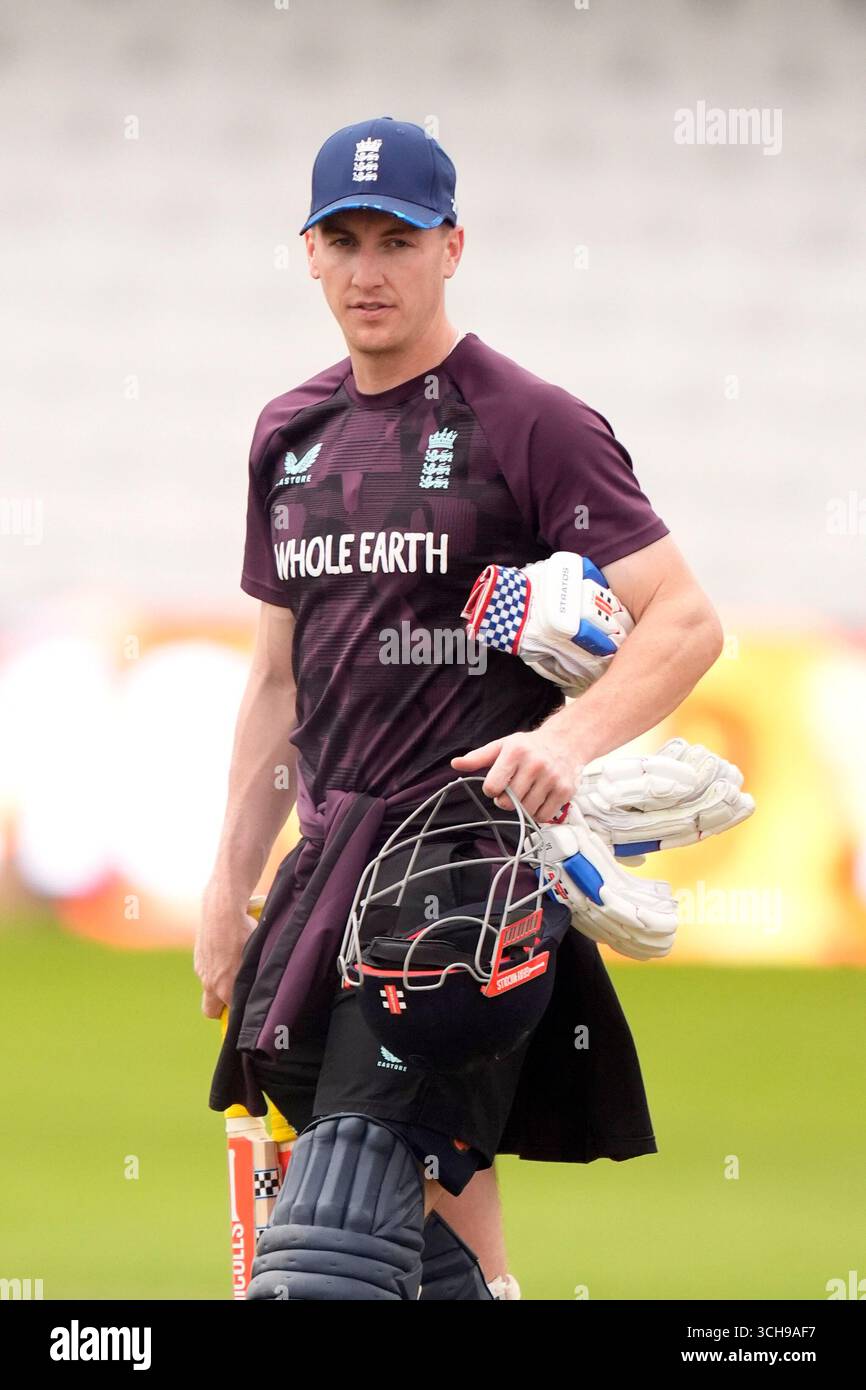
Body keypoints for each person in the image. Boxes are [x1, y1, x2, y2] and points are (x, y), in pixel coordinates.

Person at [196, 115, 724, 1299]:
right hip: (325, 874)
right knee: (430, 1255)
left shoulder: (528, 420)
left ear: (452, 248)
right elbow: (274, 682)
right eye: (345, 239)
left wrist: (564, 739)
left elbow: (684, 620)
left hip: (459, 892)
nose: (369, 267)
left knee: (327, 1259)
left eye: (399, 238)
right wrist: (226, 890)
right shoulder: (287, 434)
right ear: (309, 252)